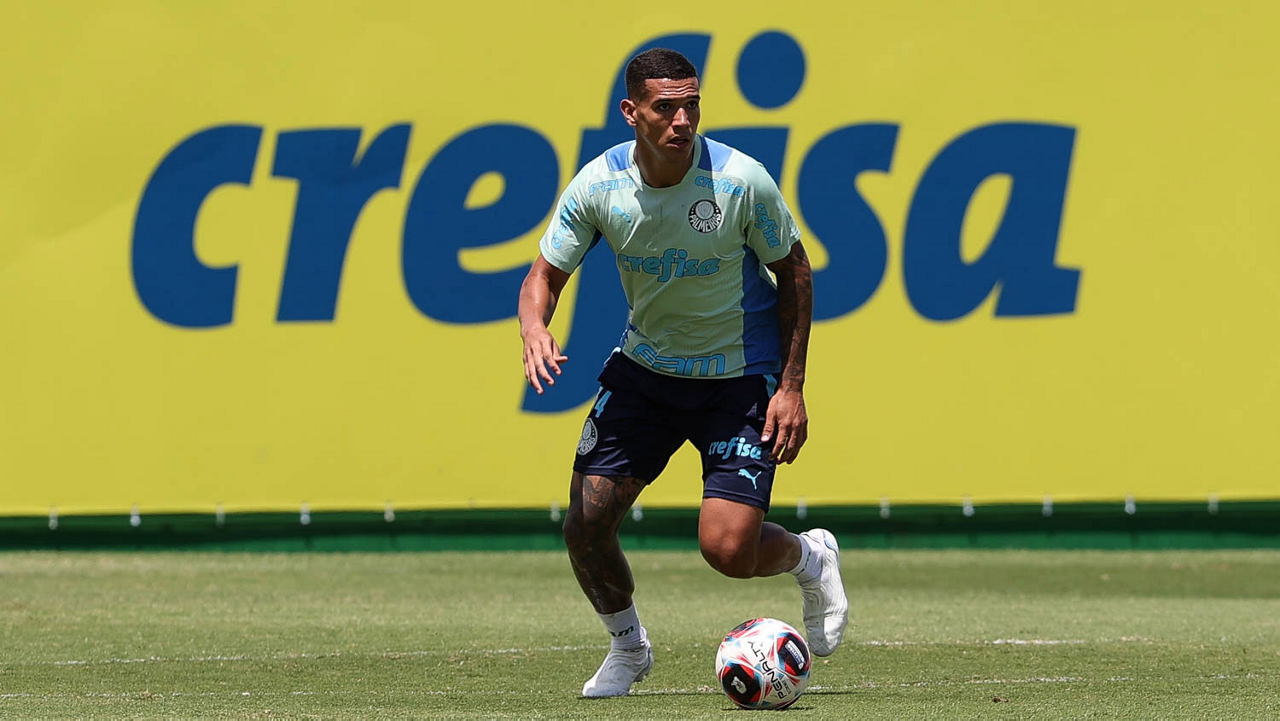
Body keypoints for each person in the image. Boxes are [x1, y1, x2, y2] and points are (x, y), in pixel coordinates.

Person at [517, 48, 847, 698]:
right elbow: (543, 276)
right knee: (585, 527)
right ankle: (627, 647)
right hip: (647, 373)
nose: (682, 120)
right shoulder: (599, 187)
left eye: (691, 105)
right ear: (631, 112)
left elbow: (795, 273)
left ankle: (811, 556)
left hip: (739, 378)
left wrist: (791, 386)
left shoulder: (740, 180)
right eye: (665, 108)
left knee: (728, 551)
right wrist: (534, 327)